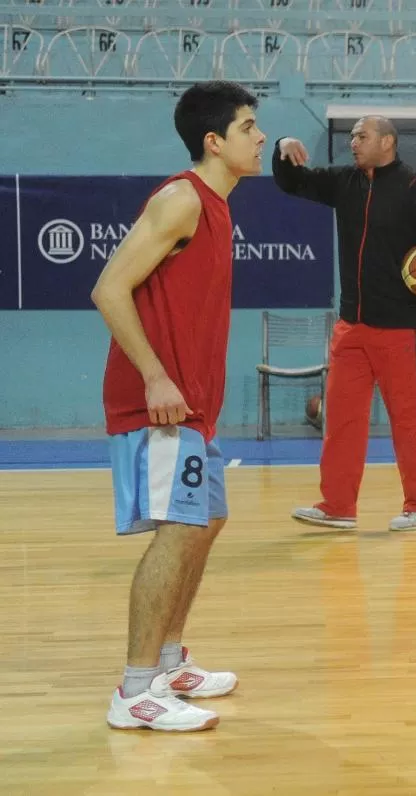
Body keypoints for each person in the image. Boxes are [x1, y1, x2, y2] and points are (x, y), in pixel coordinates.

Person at [92, 81, 266, 731]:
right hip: (159, 403)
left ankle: (168, 663)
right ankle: (136, 691)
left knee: (207, 520)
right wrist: (155, 377)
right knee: (181, 528)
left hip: (192, 407)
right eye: (248, 127)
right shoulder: (180, 200)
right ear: (213, 141)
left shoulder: (217, 206)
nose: (260, 136)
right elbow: (109, 288)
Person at [273, 116, 416, 533]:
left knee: (410, 423)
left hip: (404, 330)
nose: (353, 142)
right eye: (352, 136)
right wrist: (283, 147)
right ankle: (338, 505)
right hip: (351, 328)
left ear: (387, 141)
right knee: (341, 420)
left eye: (362, 136)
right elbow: (293, 182)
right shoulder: (345, 182)